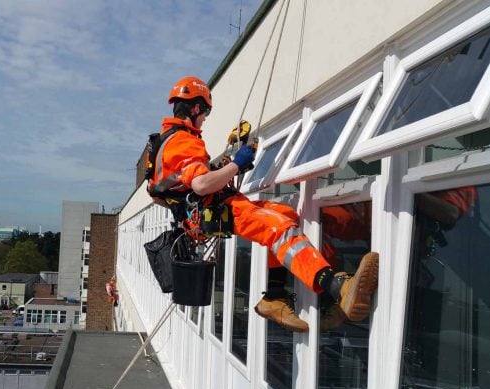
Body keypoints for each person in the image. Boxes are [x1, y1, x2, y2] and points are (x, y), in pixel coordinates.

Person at [147, 76, 379, 332]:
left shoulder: (162, 142)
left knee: (285, 213)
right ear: (195, 108)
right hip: (216, 210)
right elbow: (201, 185)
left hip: (210, 210)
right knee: (277, 227)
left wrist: (220, 167)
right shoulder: (183, 140)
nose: (204, 119)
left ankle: (274, 297)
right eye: (206, 113)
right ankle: (337, 285)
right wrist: (237, 164)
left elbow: (160, 192)